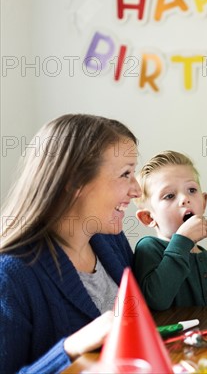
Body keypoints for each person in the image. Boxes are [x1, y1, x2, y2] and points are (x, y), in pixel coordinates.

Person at [0, 114, 142, 373]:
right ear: (75, 181)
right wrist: (69, 349)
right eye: (125, 174)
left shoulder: (112, 242)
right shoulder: (11, 276)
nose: (137, 190)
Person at [133, 150, 207, 311]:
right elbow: (156, 302)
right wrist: (182, 241)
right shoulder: (149, 249)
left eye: (192, 190)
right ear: (148, 218)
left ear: (204, 202)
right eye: (169, 196)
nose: (185, 199)